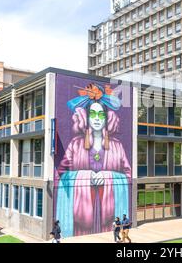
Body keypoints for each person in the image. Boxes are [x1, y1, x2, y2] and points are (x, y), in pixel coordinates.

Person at [56, 83, 131, 237]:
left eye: (101, 115)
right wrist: (84, 175)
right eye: (93, 114)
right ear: (87, 117)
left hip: (108, 217)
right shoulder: (75, 145)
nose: (97, 119)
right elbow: (59, 176)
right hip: (80, 221)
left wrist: (109, 176)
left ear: (107, 118)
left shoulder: (117, 146)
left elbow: (129, 178)